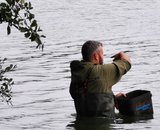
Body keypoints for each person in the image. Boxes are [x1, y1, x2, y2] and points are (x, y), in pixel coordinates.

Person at [69, 40, 131, 118]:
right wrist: (121, 54)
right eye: (102, 54)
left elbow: (88, 99)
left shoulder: (76, 76)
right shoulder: (100, 71)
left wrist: (112, 99)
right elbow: (127, 63)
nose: (103, 57)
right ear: (96, 56)